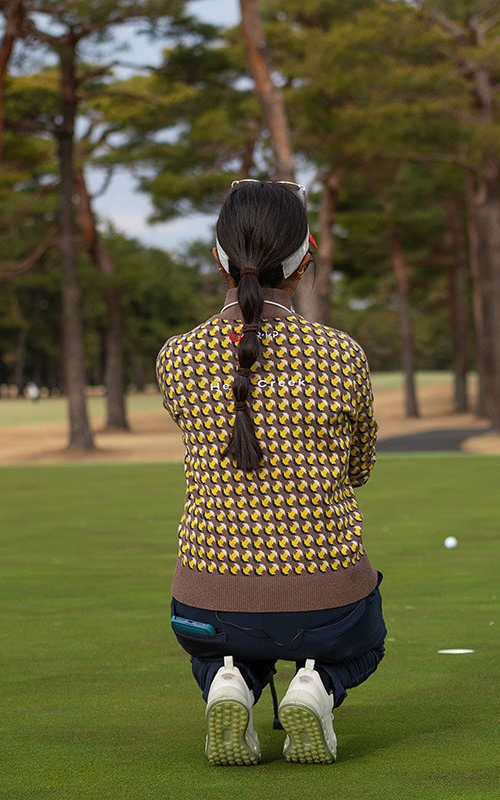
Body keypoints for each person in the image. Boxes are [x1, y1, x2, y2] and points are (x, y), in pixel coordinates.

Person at [155, 179, 385, 766]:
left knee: (225, 645)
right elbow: (359, 468)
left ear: (220, 258)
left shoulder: (177, 357)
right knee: (365, 644)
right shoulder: (341, 354)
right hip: (327, 604)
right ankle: (317, 687)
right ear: (304, 262)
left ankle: (227, 680)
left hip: (207, 604)